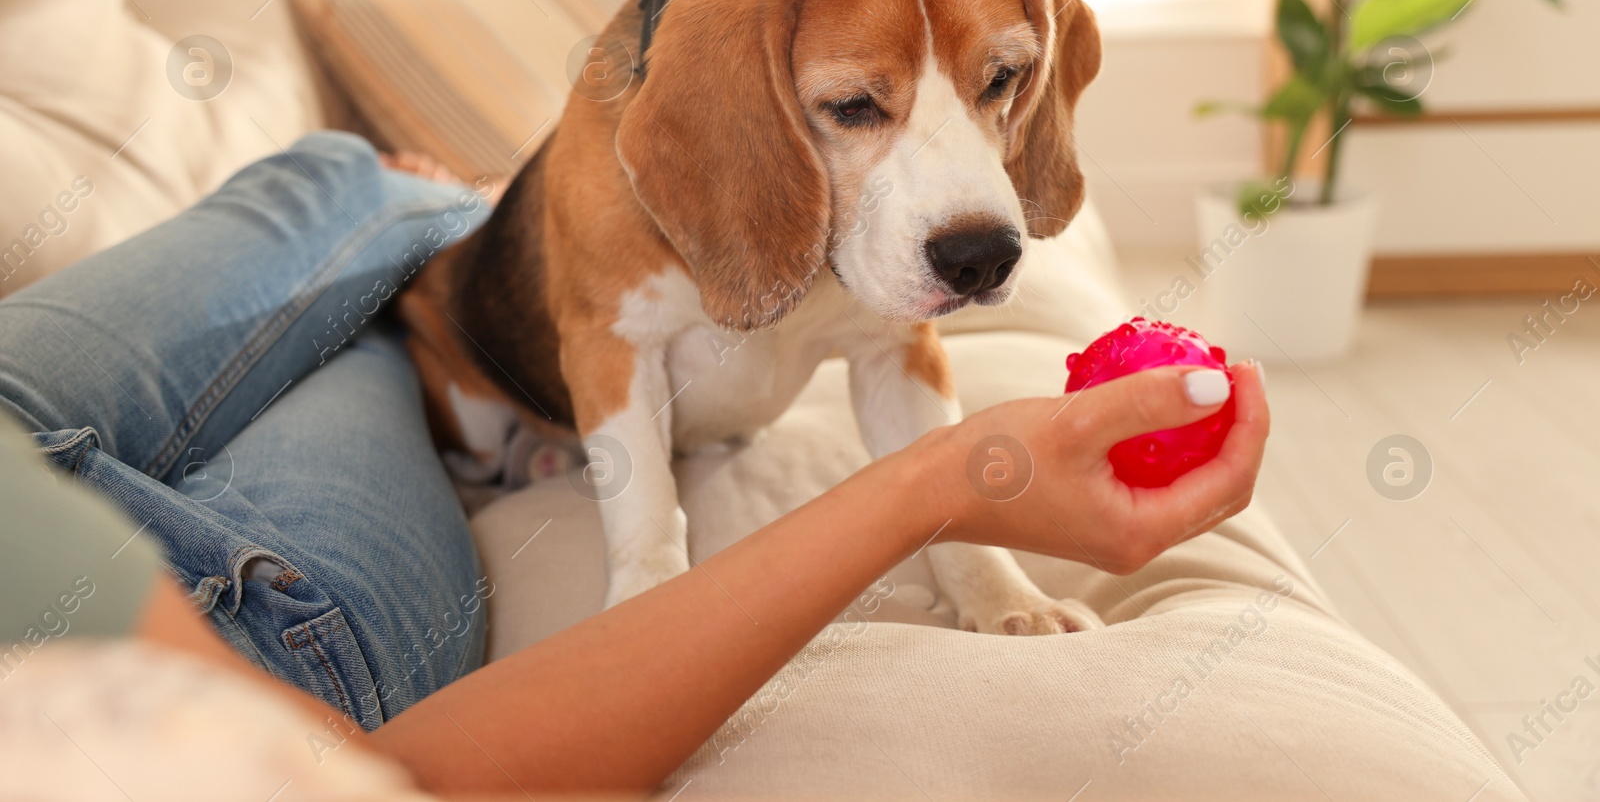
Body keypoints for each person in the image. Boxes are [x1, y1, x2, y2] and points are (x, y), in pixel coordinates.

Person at [0, 133, 1267, 797]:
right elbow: (384, 778)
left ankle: (438, 207)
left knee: (327, 172)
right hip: (241, 612)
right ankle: (447, 244)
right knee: (377, 337)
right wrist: (946, 484)